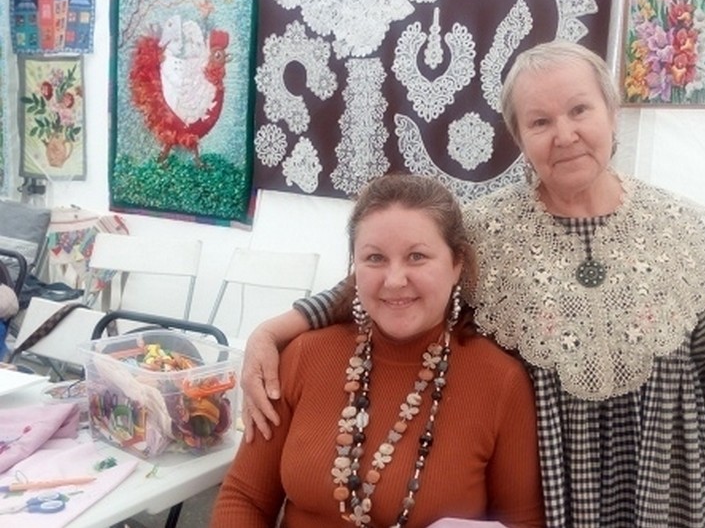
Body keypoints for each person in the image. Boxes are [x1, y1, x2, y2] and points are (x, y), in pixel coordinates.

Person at [240, 40, 705, 528]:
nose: (565, 135)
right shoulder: (488, 232)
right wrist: (272, 332)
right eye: (540, 121)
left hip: (662, 488)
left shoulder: (680, 230)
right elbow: (386, 281)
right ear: (519, 137)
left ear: (612, 112)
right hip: (549, 491)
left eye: (579, 110)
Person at [212, 175, 544, 527]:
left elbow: (523, 521)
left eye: (417, 257)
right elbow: (244, 498)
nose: (395, 280)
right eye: (375, 258)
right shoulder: (302, 357)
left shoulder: (500, 382)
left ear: (456, 263)